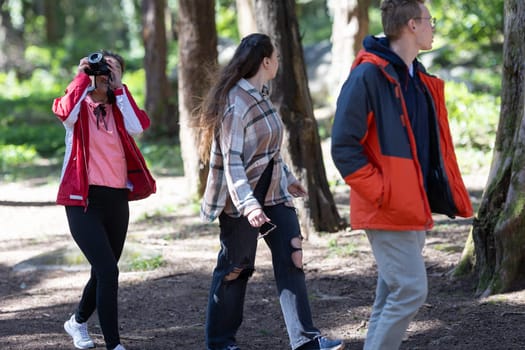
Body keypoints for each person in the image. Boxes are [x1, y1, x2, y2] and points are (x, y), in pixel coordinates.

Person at [331, 1, 473, 349]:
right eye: (429, 20)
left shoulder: (415, 76)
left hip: (412, 205)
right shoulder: (369, 75)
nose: (433, 27)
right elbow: (344, 147)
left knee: (392, 294)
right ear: (412, 25)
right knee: (410, 290)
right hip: (387, 206)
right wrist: (383, 192)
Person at [196, 33, 345, 350]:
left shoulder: (261, 95)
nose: (278, 62)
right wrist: (249, 205)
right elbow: (233, 161)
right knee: (236, 268)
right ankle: (220, 342)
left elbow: (269, 152)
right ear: (266, 61)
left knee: (293, 256)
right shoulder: (235, 103)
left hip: (274, 192)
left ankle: (305, 341)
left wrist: (287, 177)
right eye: (276, 57)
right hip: (241, 201)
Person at [52, 50, 156, 350]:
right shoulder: (77, 108)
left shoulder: (120, 109)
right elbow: (64, 112)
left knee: (103, 270)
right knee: (109, 271)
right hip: (82, 201)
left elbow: (139, 126)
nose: (105, 75)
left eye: (113, 70)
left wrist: (119, 87)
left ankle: (77, 321)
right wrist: (82, 76)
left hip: (116, 200)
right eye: (101, 69)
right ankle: (114, 344)